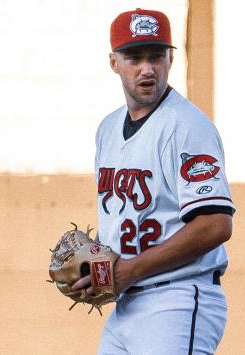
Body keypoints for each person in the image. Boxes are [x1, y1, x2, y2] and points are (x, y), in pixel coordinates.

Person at [72, 8, 236, 354]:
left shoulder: (188, 126)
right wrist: (95, 272)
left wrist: (127, 271)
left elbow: (215, 224)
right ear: (114, 62)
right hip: (128, 305)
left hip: (176, 299)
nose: (147, 68)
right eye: (134, 57)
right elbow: (121, 222)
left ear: (170, 60)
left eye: (156, 56)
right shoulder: (108, 129)